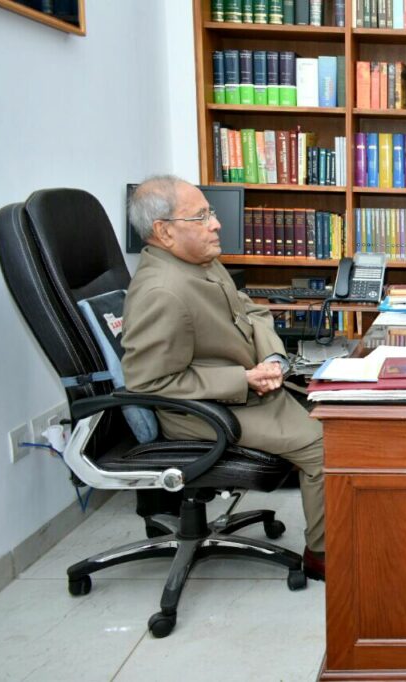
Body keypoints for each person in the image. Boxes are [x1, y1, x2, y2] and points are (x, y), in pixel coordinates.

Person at [121, 175, 326, 580]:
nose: (216, 224)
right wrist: (243, 379)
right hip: (202, 411)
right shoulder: (162, 292)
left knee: (341, 407)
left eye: (210, 212)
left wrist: (270, 358)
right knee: (325, 444)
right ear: (164, 231)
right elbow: (148, 384)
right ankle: (323, 552)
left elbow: (252, 311)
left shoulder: (200, 262)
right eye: (201, 216)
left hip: (245, 388)